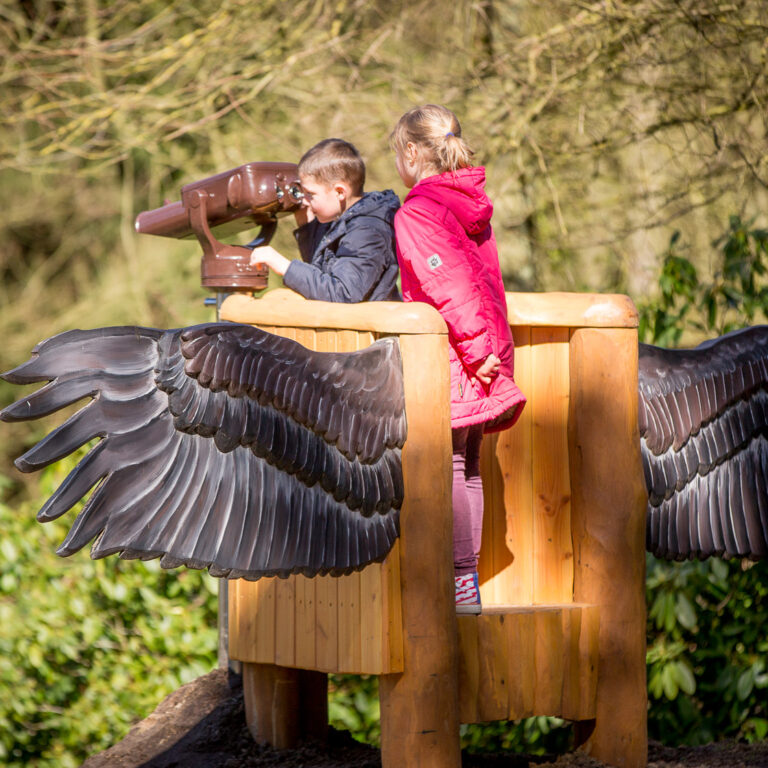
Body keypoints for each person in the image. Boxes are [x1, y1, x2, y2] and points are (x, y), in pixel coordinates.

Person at [391, 104, 526, 614]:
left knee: (450, 464)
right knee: (467, 464)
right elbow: (482, 282)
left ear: (411, 152)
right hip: (485, 347)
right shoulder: (469, 201)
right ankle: (465, 581)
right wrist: (490, 349)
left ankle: (458, 582)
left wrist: (476, 353)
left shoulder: (418, 211)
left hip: (456, 355)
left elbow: (451, 288)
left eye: (395, 156)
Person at [249, 138, 401, 302]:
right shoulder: (345, 222)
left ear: (340, 192)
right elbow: (321, 272)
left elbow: (342, 293)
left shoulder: (367, 232)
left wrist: (284, 266)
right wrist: (306, 226)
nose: (305, 200)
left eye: (311, 194)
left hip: (369, 325)